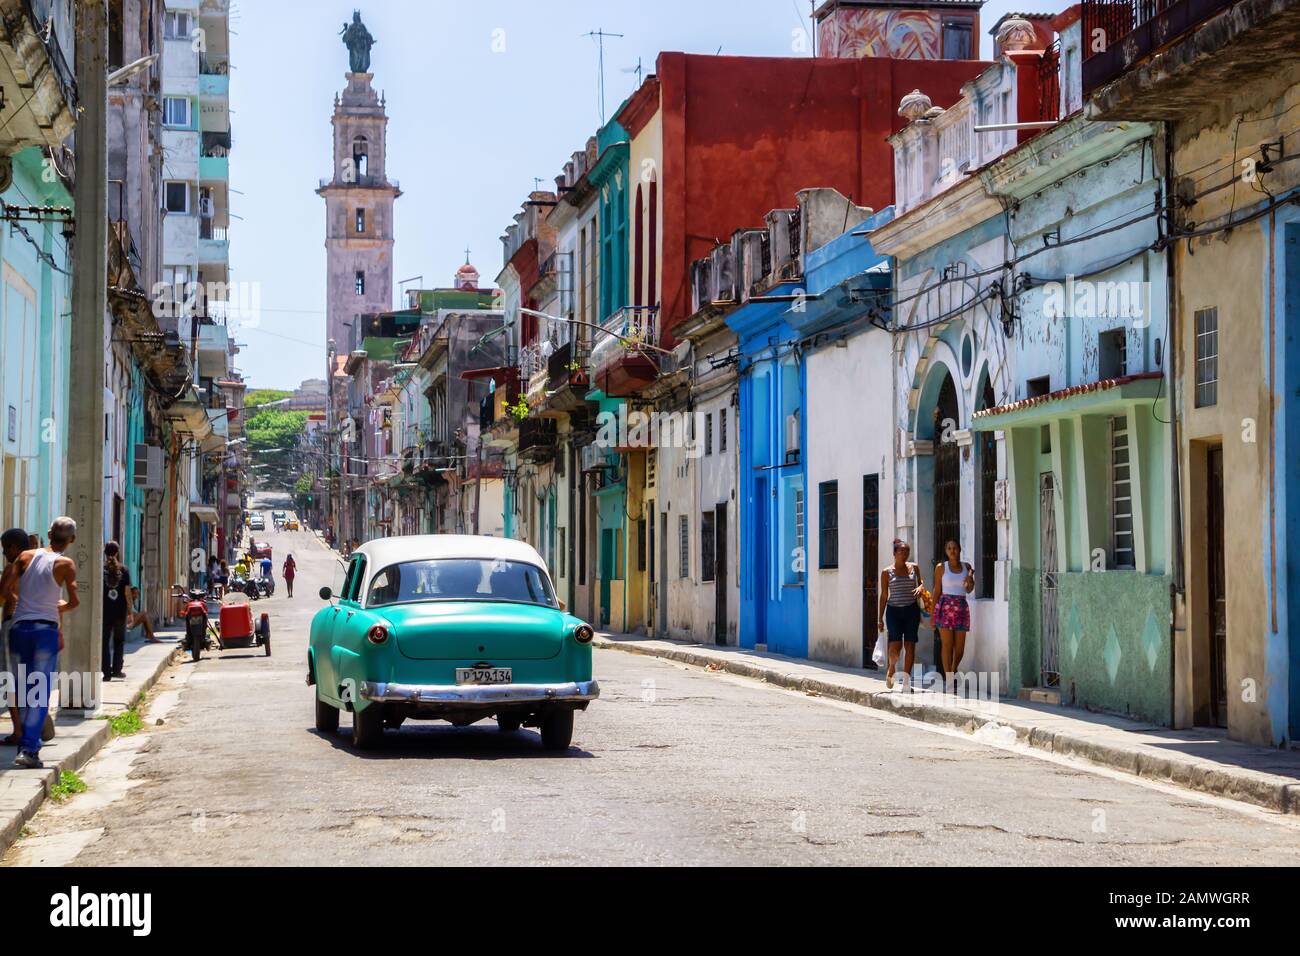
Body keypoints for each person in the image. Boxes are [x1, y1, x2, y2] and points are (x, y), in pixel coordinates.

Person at [3, 517, 79, 768]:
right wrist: (56, 607)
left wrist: (22, 600)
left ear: (49, 533)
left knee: (23, 689)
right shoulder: (66, 564)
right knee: (39, 690)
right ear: (72, 540)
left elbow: (4, 590)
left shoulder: (24, 556)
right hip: (44, 632)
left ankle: (25, 740)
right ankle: (29, 748)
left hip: (19, 629)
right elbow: (74, 602)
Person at [878, 539, 924, 690]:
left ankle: (906, 680)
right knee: (895, 646)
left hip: (911, 610)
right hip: (894, 611)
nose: (904, 554)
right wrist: (880, 618)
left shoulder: (914, 568)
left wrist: (921, 588)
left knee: (910, 645)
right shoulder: (886, 572)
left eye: (906, 551)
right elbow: (884, 595)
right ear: (894, 554)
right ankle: (892, 668)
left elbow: (921, 582)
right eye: (901, 551)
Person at [933, 539, 975, 692]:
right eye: (949, 548)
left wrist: (970, 580)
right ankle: (949, 678)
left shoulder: (967, 567)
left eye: (955, 548)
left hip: (961, 607)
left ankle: (953, 668)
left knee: (960, 649)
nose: (952, 551)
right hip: (945, 607)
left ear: (959, 549)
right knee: (947, 645)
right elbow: (937, 591)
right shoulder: (941, 568)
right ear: (946, 551)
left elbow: (969, 589)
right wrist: (933, 615)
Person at [0, 528, 28, 744]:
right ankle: (28, 727)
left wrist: (12, 597)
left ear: (14, 547)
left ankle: (18, 730)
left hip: (11, 624)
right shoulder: (35, 567)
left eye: (5, 548)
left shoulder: (12, 567)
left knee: (9, 679)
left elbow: (2, 596)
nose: (4, 554)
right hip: (29, 624)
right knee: (26, 678)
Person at [102, 542, 133, 681]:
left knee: (104, 641)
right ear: (117, 552)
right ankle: (117, 670)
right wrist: (130, 611)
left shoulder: (101, 569)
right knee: (119, 641)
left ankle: (106, 672)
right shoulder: (124, 570)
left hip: (105, 611)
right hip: (120, 611)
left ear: (104, 552)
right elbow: (127, 593)